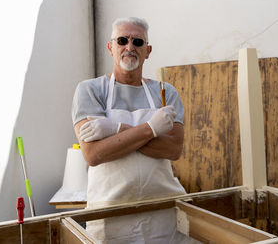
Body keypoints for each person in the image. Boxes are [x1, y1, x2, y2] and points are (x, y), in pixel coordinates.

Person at [72, 17, 194, 243]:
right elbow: (94, 154)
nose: (130, 47)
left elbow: (173, 149)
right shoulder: (90, 90)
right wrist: (151, 129)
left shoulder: (165, 92)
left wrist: (115, 131)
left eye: (138, 42)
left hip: (164, 209)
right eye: (122, 40)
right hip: (110, 214)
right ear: (111, 47)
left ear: (147, 51)